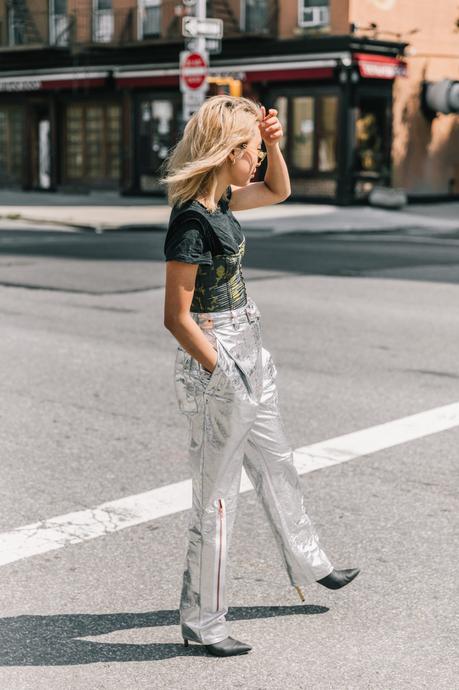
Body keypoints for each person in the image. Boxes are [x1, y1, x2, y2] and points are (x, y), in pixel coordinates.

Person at [161, 95, 359, 658]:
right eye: (250, 151)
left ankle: (310, 562)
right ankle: (204, 622)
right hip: (216, 355)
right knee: (218, 498)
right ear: (227, 153)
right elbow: (176, 317)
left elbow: (280, 190)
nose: (257, 163)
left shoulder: (223, 200)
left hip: (251, 347)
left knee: (277, 461)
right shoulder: (192, 221)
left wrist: (273, 140)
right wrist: (222, 371)